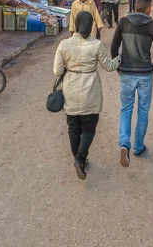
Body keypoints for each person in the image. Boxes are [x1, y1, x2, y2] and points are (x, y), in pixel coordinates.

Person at [54, 11, 121, 180]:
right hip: (90, 90)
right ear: (91, 25)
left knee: (73, 128)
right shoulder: (96, 45)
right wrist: (119, 58)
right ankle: (80, 158)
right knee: (89, 127)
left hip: (70, 89)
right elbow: (109, 66)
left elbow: (57, 71)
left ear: (75, 25)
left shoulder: (64, 44)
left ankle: (79, 159)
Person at [111, 0, 153, 167]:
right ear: (148, 10)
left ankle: (124, 144)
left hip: (126, 73)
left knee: (126, 109)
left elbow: (113, 48)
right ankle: (139, 146)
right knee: (143, 111)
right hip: (145, 74)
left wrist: (119, 67)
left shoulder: (123, 23)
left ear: (135, 7)